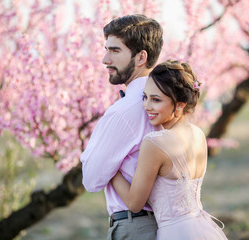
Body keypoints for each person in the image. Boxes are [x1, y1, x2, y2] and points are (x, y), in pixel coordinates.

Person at [111, 60, 228, 240]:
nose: (146, 106)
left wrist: (110, 166)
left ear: (180, 105)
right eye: (145, 97)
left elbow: (134, 203)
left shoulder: (155, 143)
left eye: (156, 100)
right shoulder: (199, 135)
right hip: (202, 229)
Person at [80, 14, 163, 240]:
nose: (105, 59)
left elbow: (91, 179)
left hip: (135, 228)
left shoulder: (123, 111)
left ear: (140, 57)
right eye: (106, 49)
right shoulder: (168, 103)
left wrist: (103, 163)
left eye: (115, 51)